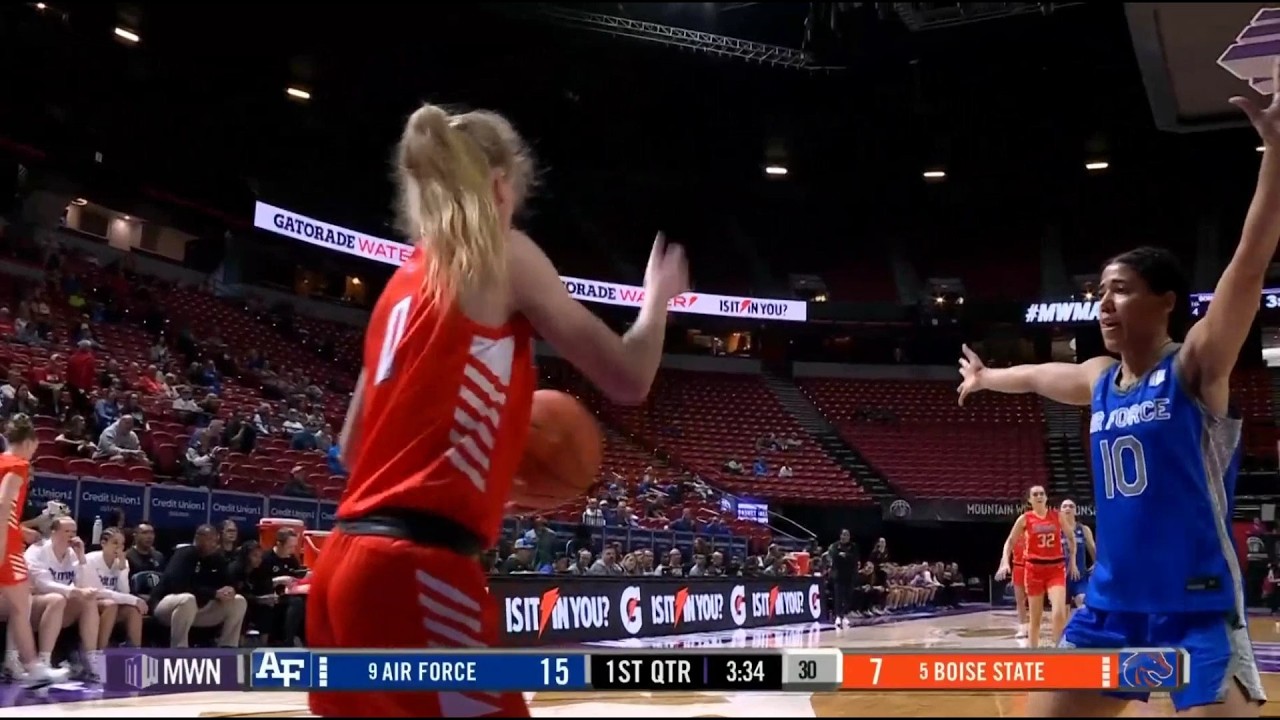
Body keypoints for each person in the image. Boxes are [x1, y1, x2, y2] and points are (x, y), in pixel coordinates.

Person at [305, 104, 687, 718]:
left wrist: (477, 471)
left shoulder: (399, 287)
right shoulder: (500, 251)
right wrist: (658, 302)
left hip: (341, 572)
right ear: (502, 185)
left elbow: (354, 452)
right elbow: (629, 377)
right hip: (414, 572)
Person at [957, 64, 1280, 716]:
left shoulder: (1194, 366)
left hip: (1194, 604)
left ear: (1164, 301)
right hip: (1110, 609)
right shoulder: (1102, 379)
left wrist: (1274, 155)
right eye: (1099, 291)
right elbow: (1040, 378)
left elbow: (1248, 259)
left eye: (1121, 289)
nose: (1104, 302)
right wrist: (989, 377)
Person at [0, 415, 69, 687]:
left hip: (9, 538)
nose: (33, 453)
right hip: (6, 549)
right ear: (28, 442)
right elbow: (3, 503)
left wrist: (19, 528)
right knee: (20, 606)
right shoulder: (19, 465)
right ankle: (33, 667)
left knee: (20, 605)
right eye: (34, 448)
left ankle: (31, 666)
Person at [26, 515, 104, 681]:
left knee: (88, 600)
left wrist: (82, 558)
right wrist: (73, 592)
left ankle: (91, 660)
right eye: (66, 531)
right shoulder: (37, 549)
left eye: (74, 531)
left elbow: (89, 585)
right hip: (31, 607)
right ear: (53, 532)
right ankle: (44, 662)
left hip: (59, 610)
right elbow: (43, 584)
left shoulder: (72, 553)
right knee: (56, 598)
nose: (71, 535)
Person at [83, 526, 149, 648]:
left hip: (111, 603)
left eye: (122, 544)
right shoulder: (90, 559)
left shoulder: (122, 562)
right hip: (89, 602)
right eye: (115, 543)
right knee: (111, 605)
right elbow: (98, 592)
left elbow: (124, 591)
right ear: (103, 543)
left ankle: (135, 652)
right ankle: (100, 651)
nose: (119, 548)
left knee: (133, 610)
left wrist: (123, 569)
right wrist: (134, 600)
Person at [1058, 499, 1096, 611]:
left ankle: (1084, 628)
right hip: (1061, 577)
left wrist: (1096, 565)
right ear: (1060, 511)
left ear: (1076, 511)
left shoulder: (1084, 529)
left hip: (1079, 576)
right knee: (1062, 612)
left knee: (1083, 604)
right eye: (1064, 506)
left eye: (1071, 506)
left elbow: (1093, 549)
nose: (1068, 508)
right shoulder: (1056, 530)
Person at [998, 506, 1030, 639]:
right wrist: (1003, 565)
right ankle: (1023, 628)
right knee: (1020, 601)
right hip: (1018, 567)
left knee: (1034, 600)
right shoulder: (1015, 534)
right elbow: (1007, 550)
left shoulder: (1034, 532)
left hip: (1033, 567)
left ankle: (1034, 625)